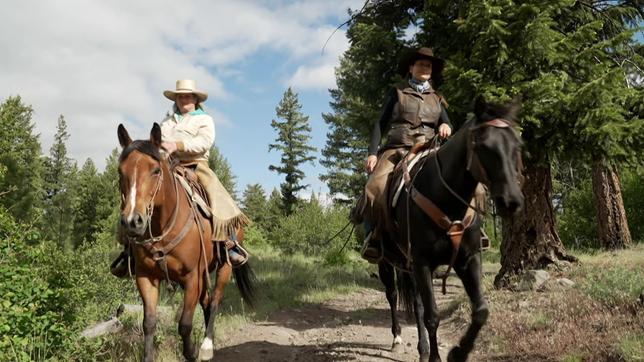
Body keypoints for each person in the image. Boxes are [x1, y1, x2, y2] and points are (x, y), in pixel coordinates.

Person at [110, 80, 249, 277]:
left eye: (188, 96)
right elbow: (158, 146)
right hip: (169, 167)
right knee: (138, 196)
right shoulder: (167, 122)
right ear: (176, 99)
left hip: (196, 165)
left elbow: (205, 141)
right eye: (180, 96)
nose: (184, 99)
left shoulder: (204, 120)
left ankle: (230, 244)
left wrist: (179, 145)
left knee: (218, 198)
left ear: (195, 99)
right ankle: (129, 249)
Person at [361, 47, 453, 262]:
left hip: (430, 149)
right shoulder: (397, 92)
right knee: (373, 188)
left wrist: (446, 126)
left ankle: (467, 232)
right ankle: (374, 237)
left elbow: (446, 121)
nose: (424, 68)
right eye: (420, 64)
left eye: (428, 65)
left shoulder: (437, 97)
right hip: (398, 148)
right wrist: (373, 153)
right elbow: (379, 123)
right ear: (411, 68)